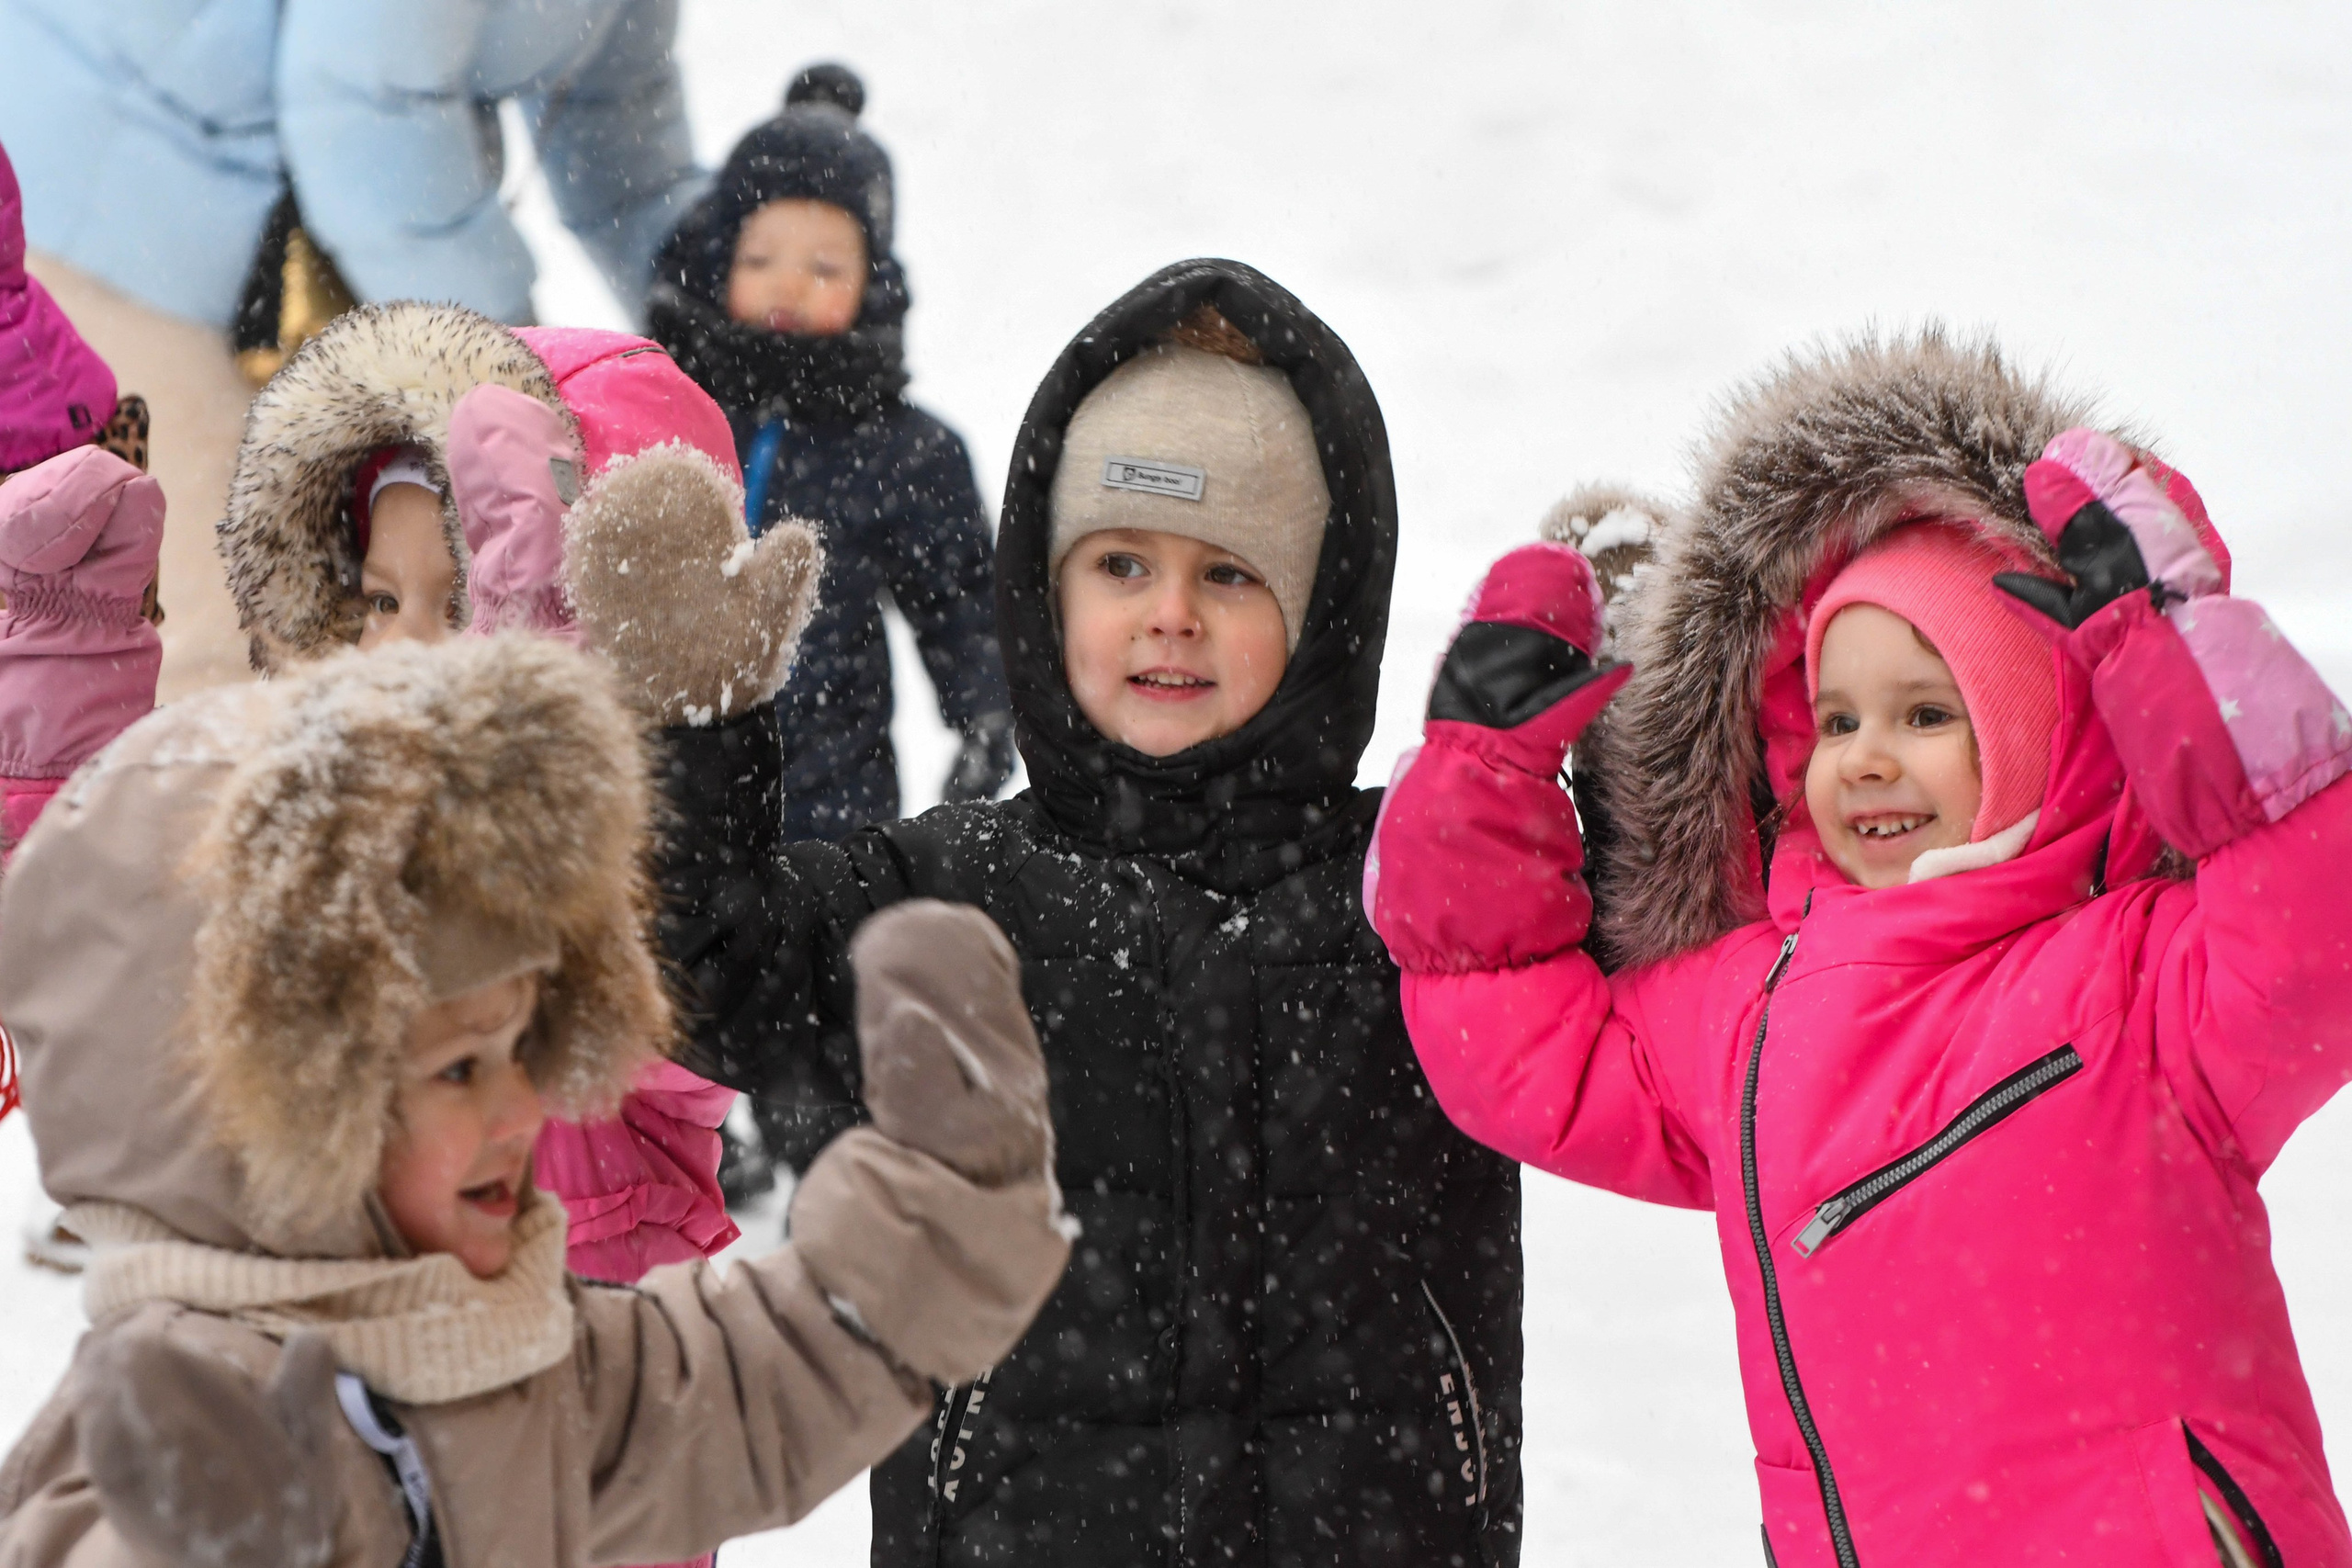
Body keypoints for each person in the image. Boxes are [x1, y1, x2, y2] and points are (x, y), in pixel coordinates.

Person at [1365, 331, 2352, 1565]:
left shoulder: (2142, 977)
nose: (1867, 758)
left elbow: (2316, 914)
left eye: (1927, 713)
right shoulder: (1753, 1009)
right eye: (1835, 720)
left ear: (2052, 726)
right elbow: (1514, 1039)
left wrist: (2170, 645)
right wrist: (1481, 777)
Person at [626, 259, 1524, 1567]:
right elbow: (703, 966)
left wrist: (1617, 733)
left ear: (1322, 610)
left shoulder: (1418, 891)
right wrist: (695, 726)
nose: (1170, 615)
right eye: (1121, 563)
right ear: (1048, 595)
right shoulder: (951, 896)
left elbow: (1680, 985)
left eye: (1231, 574)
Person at [0, 633, 1070, 1568]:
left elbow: (746, 1391)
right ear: (256, 1104)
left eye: (525, 1049)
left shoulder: (503, 1362)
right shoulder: (171, 1426)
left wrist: (931, 1220)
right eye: (460, 1070)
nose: (524, 1111)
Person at [211, 298, 819, 1288]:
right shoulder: (337, 820)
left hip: (593, 1303)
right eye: (380, 599)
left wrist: (556, 726)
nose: (403, 643)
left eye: (460, 602)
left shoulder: (632, 840)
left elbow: (684, 1014)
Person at [0, 0, 709, 696]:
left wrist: (709, 301)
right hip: (128, 207)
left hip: (315, 240)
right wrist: (511, 373)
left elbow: (621, 115)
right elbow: (367, 119)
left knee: (346, 616)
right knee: (228, 643)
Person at [650, 62, 1015, 844]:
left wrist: (987, 710)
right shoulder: (663, 410)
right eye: (759, 260)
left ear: (872, 281)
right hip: (656, 796)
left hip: (826, 799)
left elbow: (960, 596)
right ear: (716, 263)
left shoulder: (901, 450)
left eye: (824, 267)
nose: (789, 286)